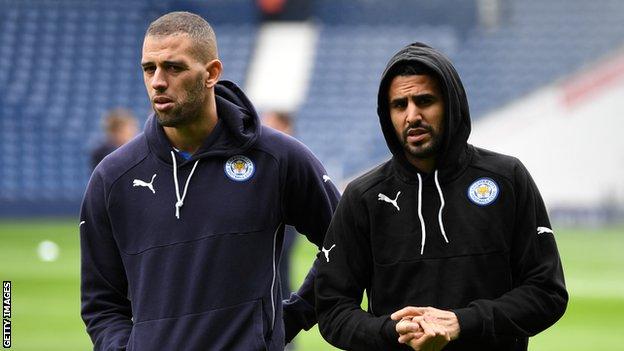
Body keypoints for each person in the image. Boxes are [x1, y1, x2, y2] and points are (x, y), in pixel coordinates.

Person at [80, 11, 340, 351]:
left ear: (211, 73)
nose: (158, 81)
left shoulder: (277, 158)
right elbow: (101, 302)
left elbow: (345, 243)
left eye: (174, 67)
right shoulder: (113, 177)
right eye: (149, 68)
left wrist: (290, 318)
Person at [315, 42, 568, 351]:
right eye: (399, 105)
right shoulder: (363, 197)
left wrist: (463, 323)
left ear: (451, 104)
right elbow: (332, 309)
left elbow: (547, 292)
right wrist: (392, 332)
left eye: (424, 101)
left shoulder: (506, 179)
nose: (412, 115)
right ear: (387, 114)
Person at [261, 111, 297, 297]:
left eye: (270, 124)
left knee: (280, 266)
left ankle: (284, 308)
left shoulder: (290, 155)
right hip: (269, 217)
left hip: (286, 219)